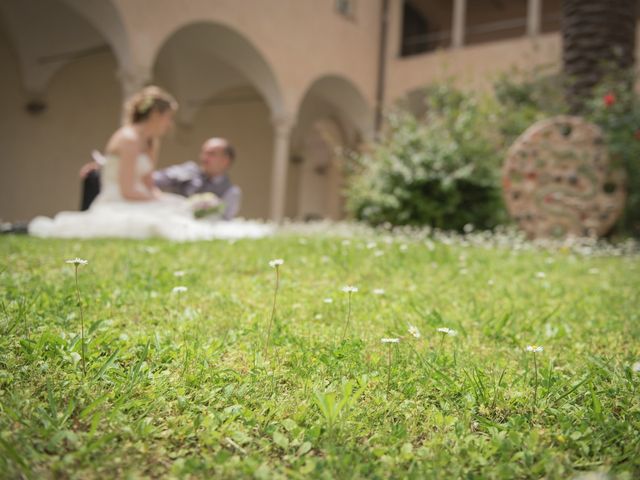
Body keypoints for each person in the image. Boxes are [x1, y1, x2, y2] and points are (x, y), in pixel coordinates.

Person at [28, 86, 271, 240]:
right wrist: (159, 199)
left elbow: (149, 183)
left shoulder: (151, 143)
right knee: (164, 218)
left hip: (139, 196)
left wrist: (167, 199)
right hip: (119, 199)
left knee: (176, 207)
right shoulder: (128, 138)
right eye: (168, 118)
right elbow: (127, 190)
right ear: (156, 115)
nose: (169, 124)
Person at [81, 137, 242, 220]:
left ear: (226, 160)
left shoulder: (231, 192)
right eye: (204, 152)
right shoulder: (189, 171)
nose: (204, 157)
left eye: (212, 154)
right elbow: (155, 179)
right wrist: (112, 170)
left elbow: (224, 219)